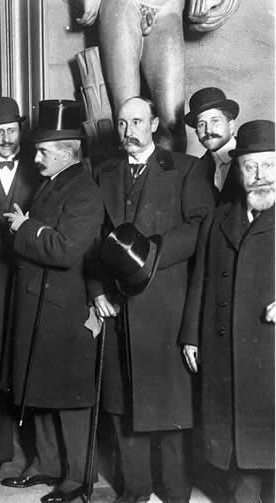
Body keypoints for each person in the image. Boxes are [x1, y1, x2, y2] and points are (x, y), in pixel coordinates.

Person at [87, 96, 215, 503]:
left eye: (137, 122)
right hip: (119, 309)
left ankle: (176, 493)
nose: (128, 132)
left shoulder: (185, 169)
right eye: (122, 124)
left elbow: (200, 228)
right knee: (122, 406)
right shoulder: (103, 172)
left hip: (166, 308)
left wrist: (152, 251)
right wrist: (95, 290)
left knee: (170, 408)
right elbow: (90, 239)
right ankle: (135, 490)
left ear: (155, 123)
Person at [0, 100, 104, 502]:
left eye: (43, 150)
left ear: (67, 149)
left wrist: (25, 228)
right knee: (38, 388)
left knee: (69, 398)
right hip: (39, 306)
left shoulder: (84, 190)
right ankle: (45, 464)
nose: (36, 156)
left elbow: (64, 250)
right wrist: (28, 227)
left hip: (63, 309)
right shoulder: (55, 182)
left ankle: (79, 478)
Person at [180, 120, 275, 503]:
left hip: (269, 354)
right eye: (250, 166)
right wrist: (190, 334)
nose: (260, 176)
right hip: (224, 349)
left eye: (268, 165)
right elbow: (200, 277)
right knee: (237, 455)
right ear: (237, 170)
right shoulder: (220, 218)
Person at [0, 97, 41, 476]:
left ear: (21, 130)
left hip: (31, 276)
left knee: (31, 362)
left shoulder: (41, 165)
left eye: (11, 130)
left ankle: (37, 452)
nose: (5, 138)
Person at [76, 0, 187, 151]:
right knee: (126, 118)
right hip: (122, 5)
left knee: (173, 123)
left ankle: (165, 174)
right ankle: (132, 173)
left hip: (167, 7)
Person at [185, 86, 242, 204]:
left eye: (215, 121)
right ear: (196, 132)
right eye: (201, 124)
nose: (208, 130)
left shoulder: (254, 158)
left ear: (231, 125)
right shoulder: (196, 170)